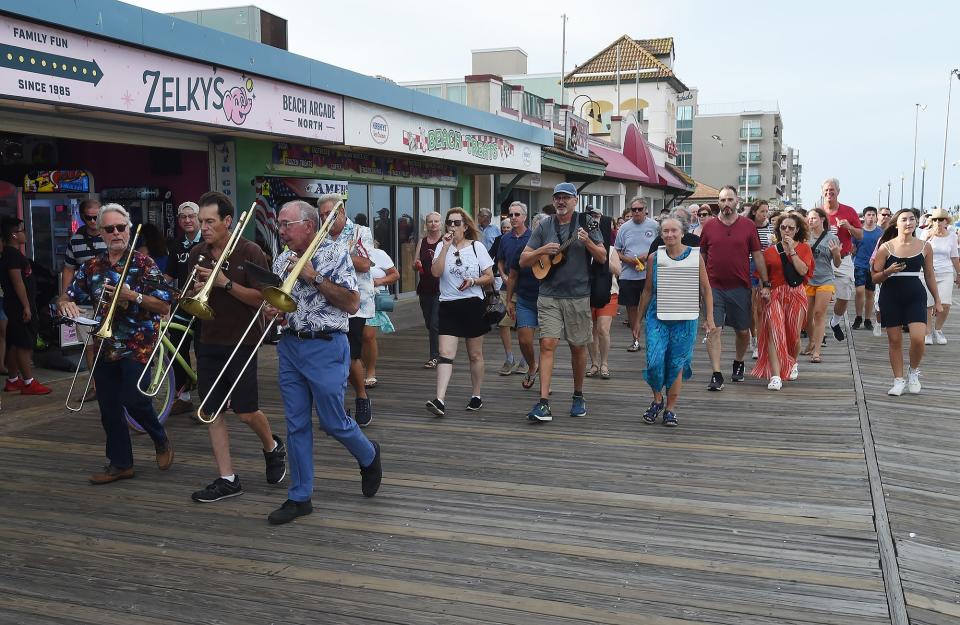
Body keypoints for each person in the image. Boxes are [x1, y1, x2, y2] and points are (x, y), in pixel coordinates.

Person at [266, 200, 381, 525]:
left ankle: (368, 455)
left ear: (308, 225)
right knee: (296, 424)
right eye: (280, 224)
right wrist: (271, 310)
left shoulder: (336, 253)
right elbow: (278, 300)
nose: (282, 230)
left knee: (332, 422)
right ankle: (300, 497)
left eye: (287, 224)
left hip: (326, 346)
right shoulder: (282, 258)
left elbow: (353, 303)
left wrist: (313, 277)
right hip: (290, 346)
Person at [58, 204, 174, 482]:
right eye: (109, 229)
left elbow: (164, 304)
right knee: (109, 407)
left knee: (132, 398)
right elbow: (67, 295)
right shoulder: (92, 267)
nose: (116, 233)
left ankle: (159, 437)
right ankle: (121, 464)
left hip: (139, 343)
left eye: (121, 227)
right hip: (105, 344)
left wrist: (132, 296)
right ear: (101, 232)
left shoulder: (144, 264)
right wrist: (66, 305)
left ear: (129, 229)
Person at [186, 191, 287, 503]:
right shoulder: (197, 253)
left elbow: (265, 298)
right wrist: (194, 290)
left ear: (228, 221)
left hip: (242, 340)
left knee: (245, 412)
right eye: (201, 221)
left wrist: (224, 284)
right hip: (208, 339)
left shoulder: (249, 251)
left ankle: (272, 446)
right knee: (211, 410)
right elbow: (188, 297)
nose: (203, 227)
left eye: (210, 221)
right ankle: (227, 478)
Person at [519, 182, 607, 422]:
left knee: (578, 347)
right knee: (547, 343)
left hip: (578, 295)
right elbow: (524, 260)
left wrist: (588, 241)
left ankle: (578, 395)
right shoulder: (544, 225)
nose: (561, 201)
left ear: (575, 201)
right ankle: (544, 402)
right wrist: (541, 251)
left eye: (566, 197)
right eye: (557, 197)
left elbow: (602, 256)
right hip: (548, 294)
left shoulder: (588, 223)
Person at [638, 214, 715, 427]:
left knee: (676, 364)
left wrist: (709, 318)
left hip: (685, 317)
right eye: (665, 231)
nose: (670, 234)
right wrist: (637, 320)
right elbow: (646, 291)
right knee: (654, 361)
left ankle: (670, 409)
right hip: (657, 316)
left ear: (683, 232)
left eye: (674, 230)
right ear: (661, 234)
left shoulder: (695, 256)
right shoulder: (654, 257)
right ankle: (657, 400)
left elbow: (706, 289)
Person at [424, 208, 494, 416]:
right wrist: (445, 248)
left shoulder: (477, 247)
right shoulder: (440, 247)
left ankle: (476, 394)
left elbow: (489, 276)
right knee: (445, 354)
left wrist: (473, 281)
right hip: (448, 304)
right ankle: (440, 399)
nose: (452, 227)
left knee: (475, 354)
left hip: (472, 303)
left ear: (465, 226)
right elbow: (435, 273)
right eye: (449, 223)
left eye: (457, 223)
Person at [699, 186, 770, 391]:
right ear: (718, 203)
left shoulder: (748, 226)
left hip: (740, 286)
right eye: (722, 200)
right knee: (714, 329)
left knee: (742, 331)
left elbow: (757, 255)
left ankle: (739, 362)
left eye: (730, 200)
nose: (726, 204)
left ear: (737, 201)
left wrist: (765, 283)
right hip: (714, 287)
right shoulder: (710, 226)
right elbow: (702, 256)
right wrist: (699, 286)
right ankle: (716, 373)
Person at [872, 209, 942, 396]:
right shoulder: (885, 248)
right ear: (897, 224)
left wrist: (937, 300)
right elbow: (874, 278)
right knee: (894, 340)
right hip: (890, 296)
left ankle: (913, 372)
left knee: (919, 339)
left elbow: (929, 275)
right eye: (904, 219)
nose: (909, 222)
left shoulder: (925, 246)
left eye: (912, 219)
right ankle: (898, 380)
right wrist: (888, 272)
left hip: (915, 295)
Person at [321, 193, 375, 427]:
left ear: (341, 212)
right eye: (322, 215)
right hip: (326, 301)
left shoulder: (360, 232)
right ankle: (336, 405)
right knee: (331, 355)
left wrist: (336, 254)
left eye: (329, 214)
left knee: (351, 355)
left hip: (354, 303)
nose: (325, 219)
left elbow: (365, 264)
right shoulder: (319, 235)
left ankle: (362, 396)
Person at [751, 213, 813, 389]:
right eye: (783, 227)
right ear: (778, 229)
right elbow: (762, 276)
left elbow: (802, 271)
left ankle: (793, 362)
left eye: (791, 228)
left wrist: (792, 250)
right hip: (775, 295)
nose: (786, 230)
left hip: (796, 293)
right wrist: (764, 288)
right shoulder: (770, 251)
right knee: (774, 332)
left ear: (797, 230)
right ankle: (775, 376)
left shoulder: (804, 248)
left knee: (793, 335)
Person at [1, 217, 51, 395]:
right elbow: (17, 282)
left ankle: (13, 379)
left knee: (15, 343)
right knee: (24, 344)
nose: (24, 234)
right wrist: (26, 306)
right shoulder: (12, 255)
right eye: (21, 230)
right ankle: (29, 382)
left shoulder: (12, 253)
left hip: (17, 305)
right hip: (18, 306)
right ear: (14, 234)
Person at [162, 201, 203, 415]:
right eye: (183, 217)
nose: (187, 220)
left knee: (206, 347)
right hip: (184, 303)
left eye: (191, 216)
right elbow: (169, 275)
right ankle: (183, 395)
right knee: (176, 345)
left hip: (206, 302)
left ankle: (212, 398)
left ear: (199, 218)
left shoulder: (207, 241)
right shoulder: (177, 245)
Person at [62, 198, 105, 400]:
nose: (93, 221)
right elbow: (68, 268)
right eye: (89, 217)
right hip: (84, 299)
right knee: (89, 345)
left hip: (108, 298)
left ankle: (110, 384)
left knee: (108, 344)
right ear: (82, 217)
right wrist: (65, 296)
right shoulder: (76, 240)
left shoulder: (111, 233)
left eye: (97, 216)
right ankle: (96, 386)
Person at [615, 196, 659, 352]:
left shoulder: (654, 226)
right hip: (629, 273)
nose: (637, 212)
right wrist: (628, 260)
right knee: (632, 308)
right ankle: (635, 340)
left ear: (646, 210)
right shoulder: (624, 228)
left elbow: (661, 247)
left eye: (640, 209)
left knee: (652, 308)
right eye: (634, 209)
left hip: (650, 273)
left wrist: (646, 256)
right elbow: (617, 251)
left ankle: (653, 340)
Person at [821, 178, 863, 341]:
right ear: (822, 192)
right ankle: (821, 332)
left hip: (844, 259)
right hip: (823, 260)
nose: (829, 193)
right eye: (826, 190)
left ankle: (835, 322)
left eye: (832, 190)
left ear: (838, 191)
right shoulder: (818, 212)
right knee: (821, 296)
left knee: (844, 296)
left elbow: (860, 235)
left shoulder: (849, 211)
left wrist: (849, 228)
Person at [506, 211, 542, 391]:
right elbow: (512, 277)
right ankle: (532, 365)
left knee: (547, 343)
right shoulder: (523, 250)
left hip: (548, 302)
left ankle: (545, 381)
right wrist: (509, 301)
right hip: (525, 300)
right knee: (524, 340)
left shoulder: (557, 251)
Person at [496, 203, 531, 376]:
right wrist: (502, 274)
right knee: (504, 322)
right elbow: (500, 260)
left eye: (517, 214)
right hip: (507, 286)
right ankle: (509, 358)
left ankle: (525, 360)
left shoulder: (533, 237)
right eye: (511, 214)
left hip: (528, 287)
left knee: (527, 326)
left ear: (524, 216)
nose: (513, 217)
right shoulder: (504, 238)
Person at [802, 208, 841, 363]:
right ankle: (811, 341)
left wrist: (837, 253)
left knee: (819, 314)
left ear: (822, 219)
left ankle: (817, 351)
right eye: (809, 218)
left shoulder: (832, 238)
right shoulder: (804, 237)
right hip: (808, 279)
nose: (811, 221)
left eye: (814, 218)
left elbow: (837, 264)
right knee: (806, 316)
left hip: (826, 279)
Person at [362, 242, 399, 398]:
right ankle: (353, 370)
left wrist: (379, 281)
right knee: (353, 337)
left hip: (373, 299)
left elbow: (395, 275)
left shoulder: (378, 254)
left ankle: (370, 372)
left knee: (368, 336)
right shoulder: (347, 253)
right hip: (351, 298)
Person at [918, 208, 959, 344]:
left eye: (941, 219)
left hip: (946, 272)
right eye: (935, 219)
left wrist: (959, 273)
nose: (938, 222)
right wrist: (928, 238)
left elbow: (954, 257)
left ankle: (938, 329)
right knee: (928, 304)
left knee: (945, 304)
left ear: (946, 221)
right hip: (928, 272)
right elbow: (919, 253)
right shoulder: (925, 234)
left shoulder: (952, 236)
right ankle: (927, 332)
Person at [587, 238, 622, 380]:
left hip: (609, 292)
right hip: (587, 293)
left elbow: (618, 271)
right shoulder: (584, 248)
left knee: (603, 328)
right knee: (590, 329)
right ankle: (594, 364)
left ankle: (604, 364)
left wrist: (602, 257)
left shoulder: (611, 249)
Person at [414, 211, 442, 368]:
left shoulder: (445, 242)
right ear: (426, 224)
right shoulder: (422, 242)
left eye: (436, 221)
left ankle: (434, 357)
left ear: (441, 223)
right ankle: (442, 345)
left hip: (441, 288)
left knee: (434, 324)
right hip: (424, 288)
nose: (433, 224)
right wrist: (417, 265)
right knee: (429, 323)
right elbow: (414, 264)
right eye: (430, 221)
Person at [747, 201, 774, 359]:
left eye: (767, 211)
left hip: (766, 264)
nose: (765, 214)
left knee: (762, 306)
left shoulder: (770, 227)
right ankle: (754, 339)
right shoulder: (748, 225)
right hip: (750, 264)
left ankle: (761, 339)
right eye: (762, 211)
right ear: (755, 211)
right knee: (753, 305)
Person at [852, 206, 883, 332]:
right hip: (859, 264)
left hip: (874, 267)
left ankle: (867, 319)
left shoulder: (880, 232)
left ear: (876, 217)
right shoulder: (858, 231)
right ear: (864, 217)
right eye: (868, 214)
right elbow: (853, 248)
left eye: (873, 215)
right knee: (859, 291)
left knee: (870, 293)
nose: (870, 217)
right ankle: (858, 316)